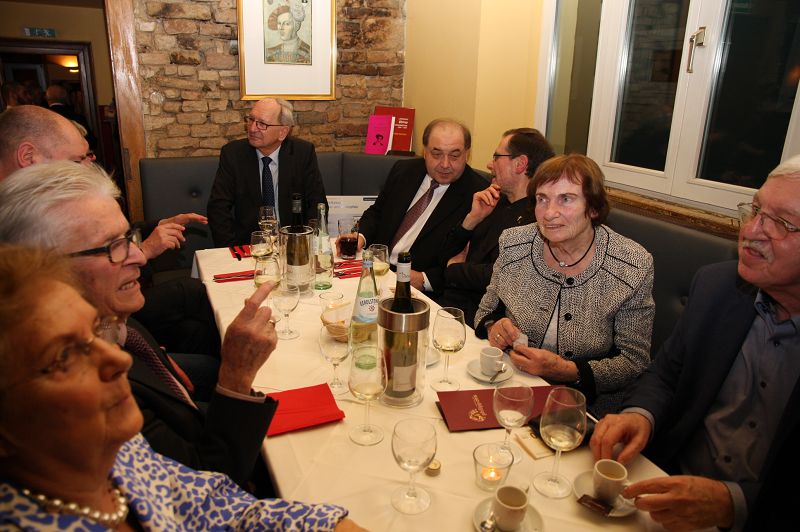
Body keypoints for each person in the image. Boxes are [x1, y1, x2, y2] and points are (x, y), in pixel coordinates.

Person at [0, 244, 364, 531]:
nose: (118, 360)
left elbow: (213, 504)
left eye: (96, 331)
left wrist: (327, 524)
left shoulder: (120, 454)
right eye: (64, 356)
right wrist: (236, 376)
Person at [0, 162, 277, 490]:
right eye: (111, 247)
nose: (140, 257)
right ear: (43, 270)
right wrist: (236, 377)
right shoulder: (85, 391)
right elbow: (208, 485)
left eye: (127, 237)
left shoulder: (108, 320)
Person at [589, 157, 800, 531]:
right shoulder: (717, 286)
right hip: (664, 484)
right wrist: (640, 415)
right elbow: (666, 374)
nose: (752, 231)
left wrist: (733, 504)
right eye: (755, 211)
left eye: (781, 223)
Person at [0, 104, 219, 357]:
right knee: (191, 293)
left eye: (88, 157)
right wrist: (145, 250)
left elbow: (102, 240)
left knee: (195, 331)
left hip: (114, 324)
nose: (88, 168)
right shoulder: (17, 228)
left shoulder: (44, 201)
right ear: (28, 157)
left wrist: (157, 226)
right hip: (92, 337)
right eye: (77, 161)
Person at [474, 154, 654, 416]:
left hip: (584, 408)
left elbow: (634, 361)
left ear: (593, 208)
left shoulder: (631, 265)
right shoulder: (514, 243)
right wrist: (493, 326)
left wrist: (566, 371)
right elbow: (485, 311)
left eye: (566, 199)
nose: (549, 213)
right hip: (511, 385)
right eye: (542, 199)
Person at [343, 118, 487, 298]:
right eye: (436, 154)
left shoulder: (478, 195)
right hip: (376, 270)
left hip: (420, 291)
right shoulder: (404, 170)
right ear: (424, 152)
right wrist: (360, 237)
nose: (445, 164)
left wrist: (425, 280)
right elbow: (377, 212)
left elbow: (471, 262)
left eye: (454, 156)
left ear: (467, 154)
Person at [438, 127, 555, 324]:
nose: (489, 165)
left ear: (520, 164)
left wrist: (454, 270)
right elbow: (443, 255)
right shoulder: (492, 200)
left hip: (482, 321)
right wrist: (471, 220)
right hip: (447, 305)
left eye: (496, 157)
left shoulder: (539, 218)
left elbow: (501, 274)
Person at [208, 97, 327, 246]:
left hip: (293, 244)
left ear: (282, 132)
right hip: (249, 246)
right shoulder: (233, 154)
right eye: (251, 120)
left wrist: (307, 245)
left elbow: (317, 204)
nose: (252, 128)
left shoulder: (302, 153)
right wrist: (232, 249)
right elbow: (218, 208)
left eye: (262, 124)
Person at [46, 83, 97, 150]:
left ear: (47, 98)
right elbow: (91, 142)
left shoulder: (42, 118)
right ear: (65, 98)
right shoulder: (77, 117)